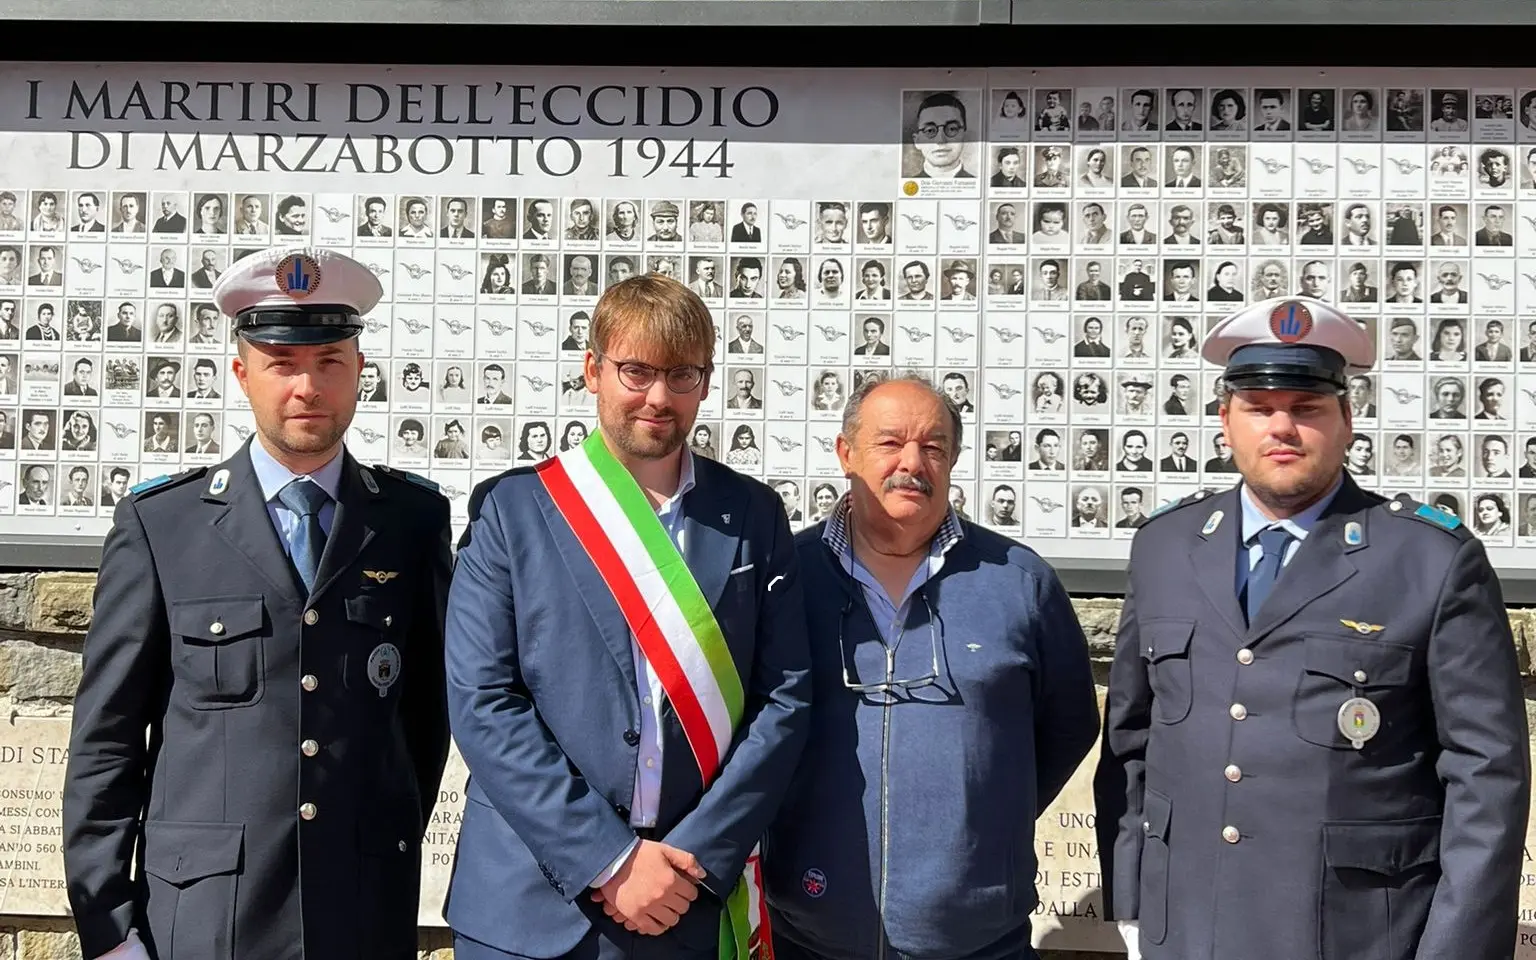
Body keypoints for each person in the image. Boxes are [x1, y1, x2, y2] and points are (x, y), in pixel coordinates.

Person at [1094, 295, 1530, 960]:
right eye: (1259, 408)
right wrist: (1131, 903)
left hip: (1355, 936)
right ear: (1224, 421)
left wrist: (1457, 948)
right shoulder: (1165, 546)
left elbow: (1487, 776)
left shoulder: (1430, 560)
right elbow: (1130, 743)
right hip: (1186, 927)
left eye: (1306, 409)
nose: (1282, 428)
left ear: (1347, 421)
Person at [61, 246, 454, 960]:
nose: (308, 386)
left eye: (330, 361)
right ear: (242, 374)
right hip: (207, 920)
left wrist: (378, 838)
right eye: (282, 363)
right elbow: (107, 741)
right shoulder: (164, 526)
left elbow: (426, 721)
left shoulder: (410, 522)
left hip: (361, 914)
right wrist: (111, 932)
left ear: (361, 372)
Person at [443, 273, 812, 958]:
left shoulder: (751, 516)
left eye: (681, 375)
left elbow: (783, 700)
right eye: (636, 371)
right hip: (528, 906)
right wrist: (608, 859)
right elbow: (483, 702)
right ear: (592, 370)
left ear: (705, 381)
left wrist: (699, 855)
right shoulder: (514, 512)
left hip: (689, 898)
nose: (657, 397)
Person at [763, 373, 1099, 960]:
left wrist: (982, 821)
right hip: (809, 932)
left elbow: (1068, 726)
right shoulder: (785, 578)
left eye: (933, 446)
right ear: (846, 453)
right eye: (890, 443)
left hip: (981, 940)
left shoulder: (1019, 582)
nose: (912, 463)